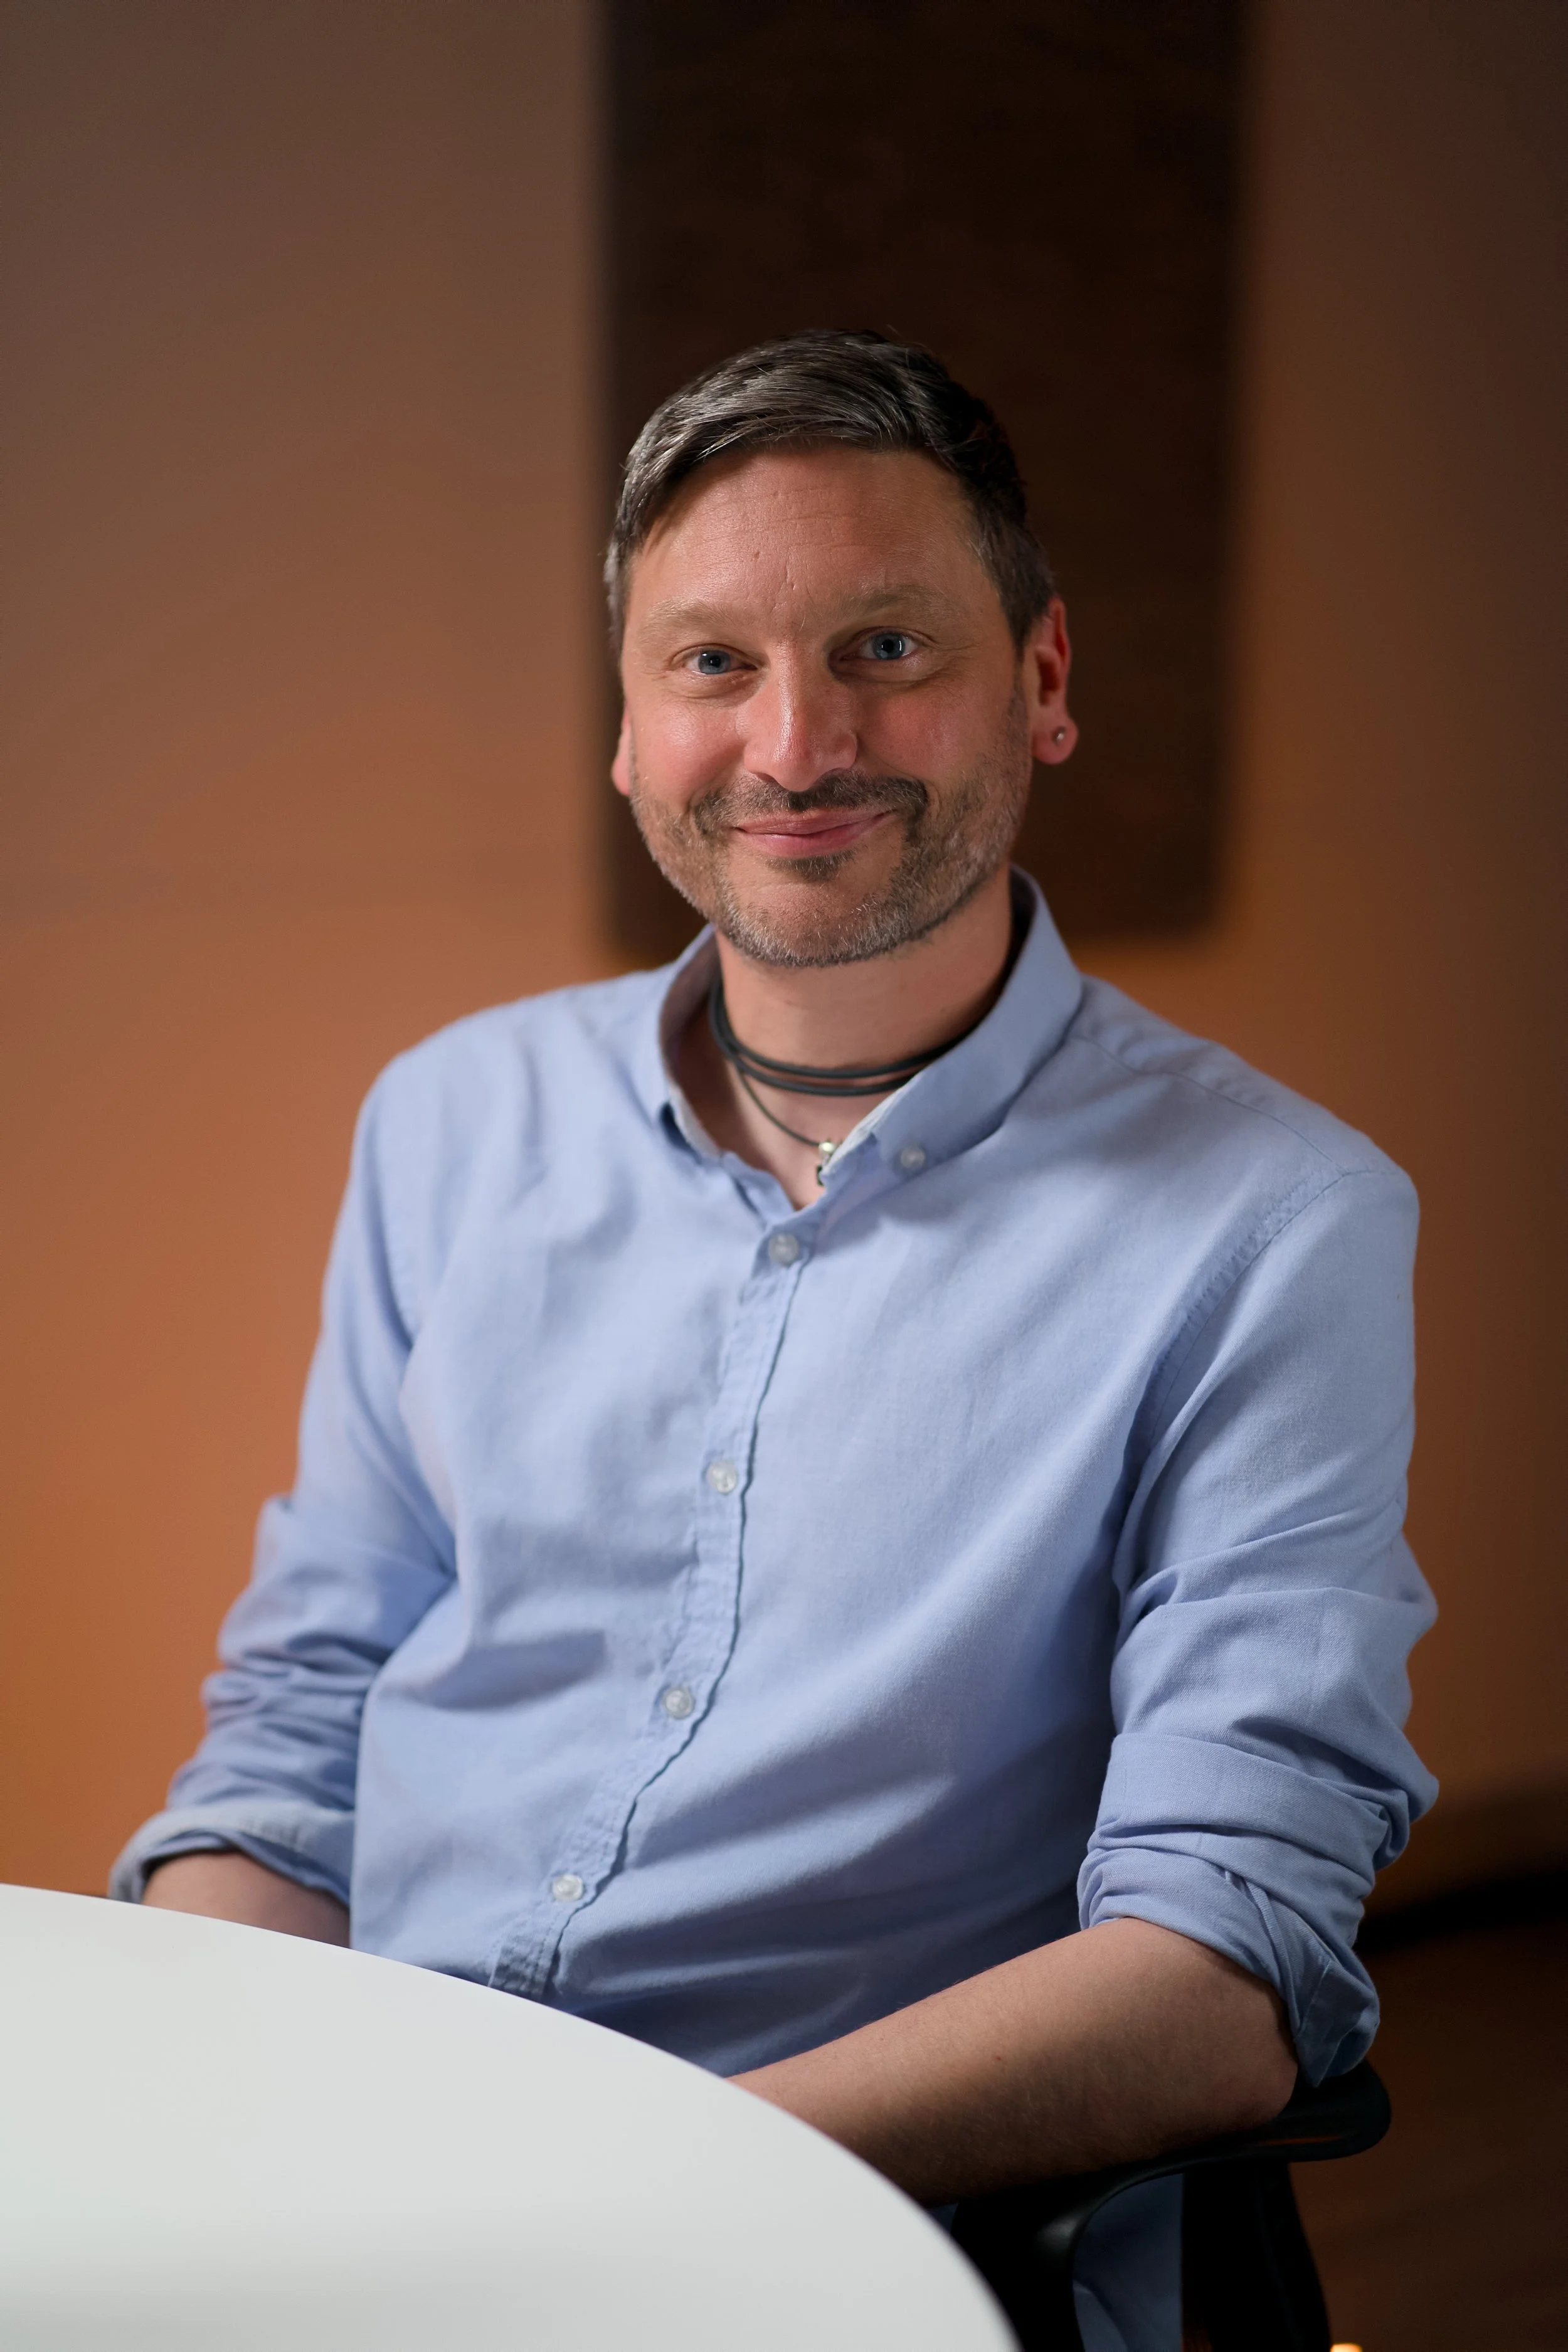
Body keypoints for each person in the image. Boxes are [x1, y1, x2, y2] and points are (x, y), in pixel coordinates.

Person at [114, 331, 1435, 2351]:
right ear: (629, 724)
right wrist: (231, 2096)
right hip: (369, 2183)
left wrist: (619, 2196)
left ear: (1043, 679)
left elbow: (1222, 1967)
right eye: (712, 661)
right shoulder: (450, 1119)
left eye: (884, 647)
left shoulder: (1271, 1220)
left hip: (841, 2237)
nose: (796, 743)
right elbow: (299, 1731)